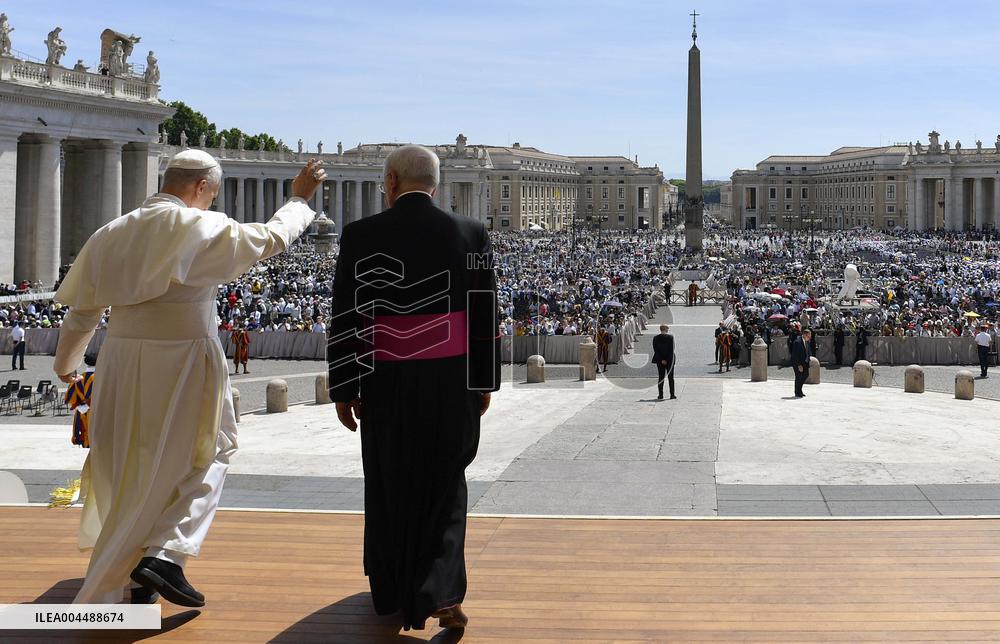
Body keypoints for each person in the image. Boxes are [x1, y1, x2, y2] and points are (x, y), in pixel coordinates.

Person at [53, 150, 326, 606]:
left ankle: (135, 573)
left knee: (129, 464)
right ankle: (165, 554)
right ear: (201, 187)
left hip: (120, 359)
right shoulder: (200, 226)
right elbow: (273, 237)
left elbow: (83, 313)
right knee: (213, 450)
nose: (211, 201)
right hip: (185, 357)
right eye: (212, 193)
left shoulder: (110, 232)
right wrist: (299, 200)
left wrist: (66, 365)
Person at [327, 144, 500, 632]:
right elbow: (484, 309)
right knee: (446, 486)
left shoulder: (360, 234)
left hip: (386, 380)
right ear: (437, 185)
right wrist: (484, 381)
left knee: (390, 482)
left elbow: (346, 314)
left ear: (390, 181)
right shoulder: (470, 232)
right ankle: (442, 592)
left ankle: (394, 588)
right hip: (450, 380)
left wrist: (344, 385)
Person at [65, 353, 97, 448]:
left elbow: (70, 397)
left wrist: (80, 407)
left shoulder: (78, 378)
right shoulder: (100, 377)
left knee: (84, 433)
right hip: (96, 411)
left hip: (81, 411)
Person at [652, 324, 676, 400]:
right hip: (670, 360)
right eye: (667, 328)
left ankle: (660, 395)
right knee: (671, 378)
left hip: (660, 361)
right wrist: (667, 359)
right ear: (665, 329)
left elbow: (656, 350)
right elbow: (671, 350)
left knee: (661, 377)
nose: (668, 330)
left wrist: (662, 359)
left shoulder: (655, 338)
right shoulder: (670, 337)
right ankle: (672, 394)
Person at [791, 328, 812, 398]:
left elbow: (807, 351)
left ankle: (799, 390)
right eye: (808, 336)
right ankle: (797, 392)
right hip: (798, 363)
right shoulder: (798, 342)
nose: (809, 337)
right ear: (805, 335)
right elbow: (795, 355)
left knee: (806, 375)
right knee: (799, 377)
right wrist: (799, 365)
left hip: (805, 362)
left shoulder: (807, 341)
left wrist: (808, 359)